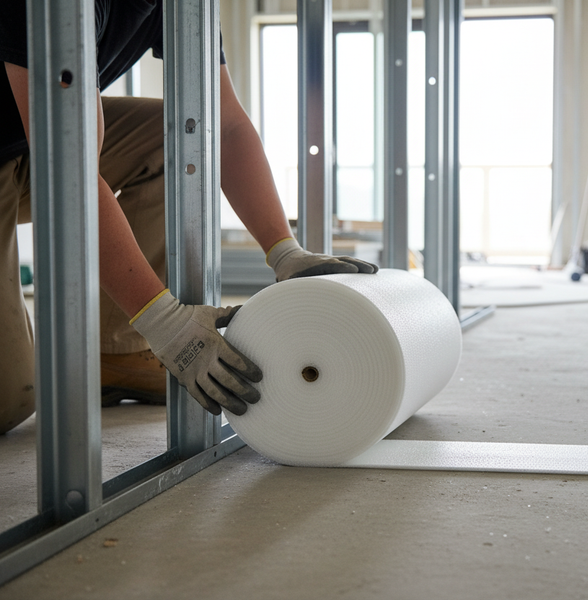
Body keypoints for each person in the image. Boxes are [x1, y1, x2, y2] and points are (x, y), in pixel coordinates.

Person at [0, 1, 377, 434]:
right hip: (41, 149)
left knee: (182, 135)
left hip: (26, 143)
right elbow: (69, 168)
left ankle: (116, 352)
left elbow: (224, 124)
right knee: (8, 401)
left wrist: (284, 250)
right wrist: (165, 322)